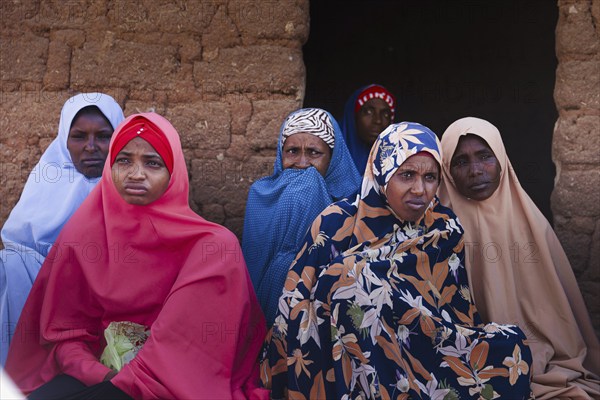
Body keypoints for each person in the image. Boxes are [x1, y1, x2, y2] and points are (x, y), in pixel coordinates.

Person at [5, 113, 268, 399]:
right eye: (124, 160)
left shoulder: (212, 248)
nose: (136, 173)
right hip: (98, 368)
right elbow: (65, 331)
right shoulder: (85, 234)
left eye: (152, 163)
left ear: (174, 172)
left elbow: (181, 350)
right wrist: (96, 371)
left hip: (168, 379)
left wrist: (121, 379)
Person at [261, 122, 533, 399]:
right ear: (382, 173)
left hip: (423, 342)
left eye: (430, 177)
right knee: (350, 281)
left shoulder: (444, 226)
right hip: (342, 349)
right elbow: (295, 299)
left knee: (511, 346)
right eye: (407, 175)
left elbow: (454, 306)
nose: (419, 189)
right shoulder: (335, 222)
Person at [438, 116, 600, 399]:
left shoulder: (533, 226)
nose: (476, 170)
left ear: (502, 159)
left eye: (485, 156)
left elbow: (560, 318)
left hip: (542, 359)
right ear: (447, 171)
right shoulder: (438, 231)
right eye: (461, 162)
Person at [0, 93, 124, 365]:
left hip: (104, 293)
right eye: (79, 136)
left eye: (103, 136)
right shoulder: (49, 179)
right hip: (42, 283)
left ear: (118, 138)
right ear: (63, 140)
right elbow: (19, 243)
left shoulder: (130, 184)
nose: (91, 147)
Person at [243, 108, 361, 327]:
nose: (302, 162)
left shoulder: (356, 204)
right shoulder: (261, 195)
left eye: (314, 153)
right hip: (260, 312)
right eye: (292, 151)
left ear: (333, 158)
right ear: (281, 154)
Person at [340, 84, 396, 175]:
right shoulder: (329, 158)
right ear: (353, 117)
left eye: (385, 114)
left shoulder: (398, 163)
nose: (378, 120)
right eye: (368, 112)